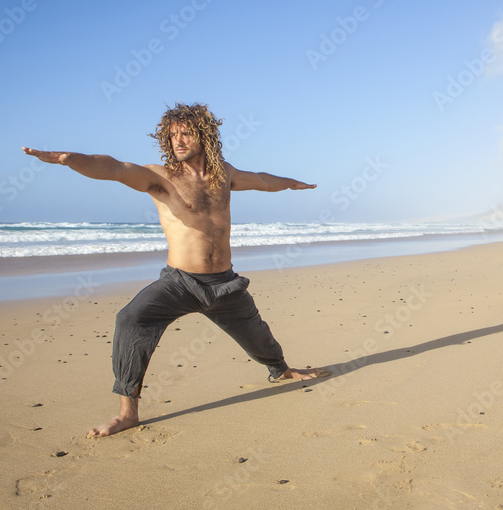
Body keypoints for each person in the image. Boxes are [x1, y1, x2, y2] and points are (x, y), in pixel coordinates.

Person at [23, 102, 319, 438]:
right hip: (180, 282)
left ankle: (280, 371)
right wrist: (68, 159)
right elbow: (115, 168)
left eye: (186, 133)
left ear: (204, 135)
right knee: (131, 318)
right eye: (172, 135)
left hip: (224, 282)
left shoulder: (225, 173)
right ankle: (127, 412)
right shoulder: (161, 176)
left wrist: (293, 183)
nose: (178, 141)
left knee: (255, 330)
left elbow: (263, 180)